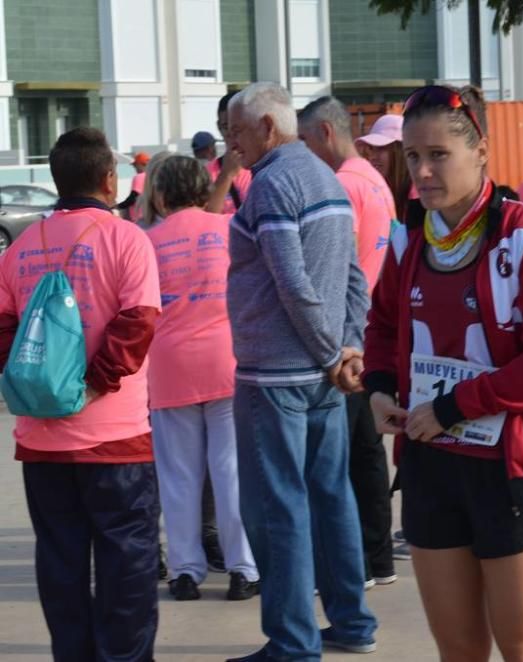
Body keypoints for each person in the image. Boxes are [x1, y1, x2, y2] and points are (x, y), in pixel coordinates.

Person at [364, 84, 523, 662]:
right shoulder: (408, 237)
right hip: (431, 462)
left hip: (512, 468)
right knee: (458, 649)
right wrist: (380, 389)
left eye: (439, 154)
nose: (423, 172)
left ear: (480, 150)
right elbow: (382, 325)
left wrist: (454, 406)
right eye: (412, 157)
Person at [223, 82, 377, 660]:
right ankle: (352, 622)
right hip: (321, 375)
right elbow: (354, 277)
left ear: (267, 127)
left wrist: (329, 352)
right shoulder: (326, 181)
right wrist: (347, 348)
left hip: (278, 377)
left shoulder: (272, 185)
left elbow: (293, 284)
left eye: (236, 131)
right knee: (331, 496)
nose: (231, 143)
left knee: (276, 508)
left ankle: (291, 642)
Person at [0, 127, 161, 660]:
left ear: (55, 179)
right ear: (110, 179)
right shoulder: (126, 239)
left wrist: (31, 387)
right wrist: (92, 387)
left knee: (61, 561)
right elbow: (138, 322)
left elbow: (4, 332)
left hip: (41, 441)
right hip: (115, 438)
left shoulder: (20, 248)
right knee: (127, 563)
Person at [145, 155, 260, 601]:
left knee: (179, 477)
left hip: (169, 368)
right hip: (228, 363)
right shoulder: (230, 231)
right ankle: (243, 569)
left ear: (159, 194)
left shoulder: (148, 241)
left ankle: (185, 571)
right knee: (231, 471)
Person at [298, 95, 397, 588]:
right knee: (365, 455)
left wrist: (331, 343)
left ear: (324, 135)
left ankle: (351, 567)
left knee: (336, 461)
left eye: (304, 141)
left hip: (347, 340)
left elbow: (335, 269)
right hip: (369, 332)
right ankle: (377, 560)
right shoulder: (374, 181)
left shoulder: (339, 187)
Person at [205, 91, 254, 216]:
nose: (232, 133)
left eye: (238, 127)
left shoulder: (268, 167)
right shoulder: (206, 174)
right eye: (226, 126)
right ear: (219, 127)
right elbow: (205, 217)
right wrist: (226, 175)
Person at [357, 114, 413, 222]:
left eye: (381, 148)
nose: (373, 156)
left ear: (400, 150)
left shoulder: (418, 196)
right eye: (371, 148)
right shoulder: (376, 192)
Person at [115, 150, 150, 221]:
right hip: (149, 215)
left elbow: (133, 198)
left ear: (141, 164)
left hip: (138, 217)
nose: (135, 168)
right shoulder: (152, 177)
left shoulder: (139, 177)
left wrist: (117, 206)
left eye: (136, 165)